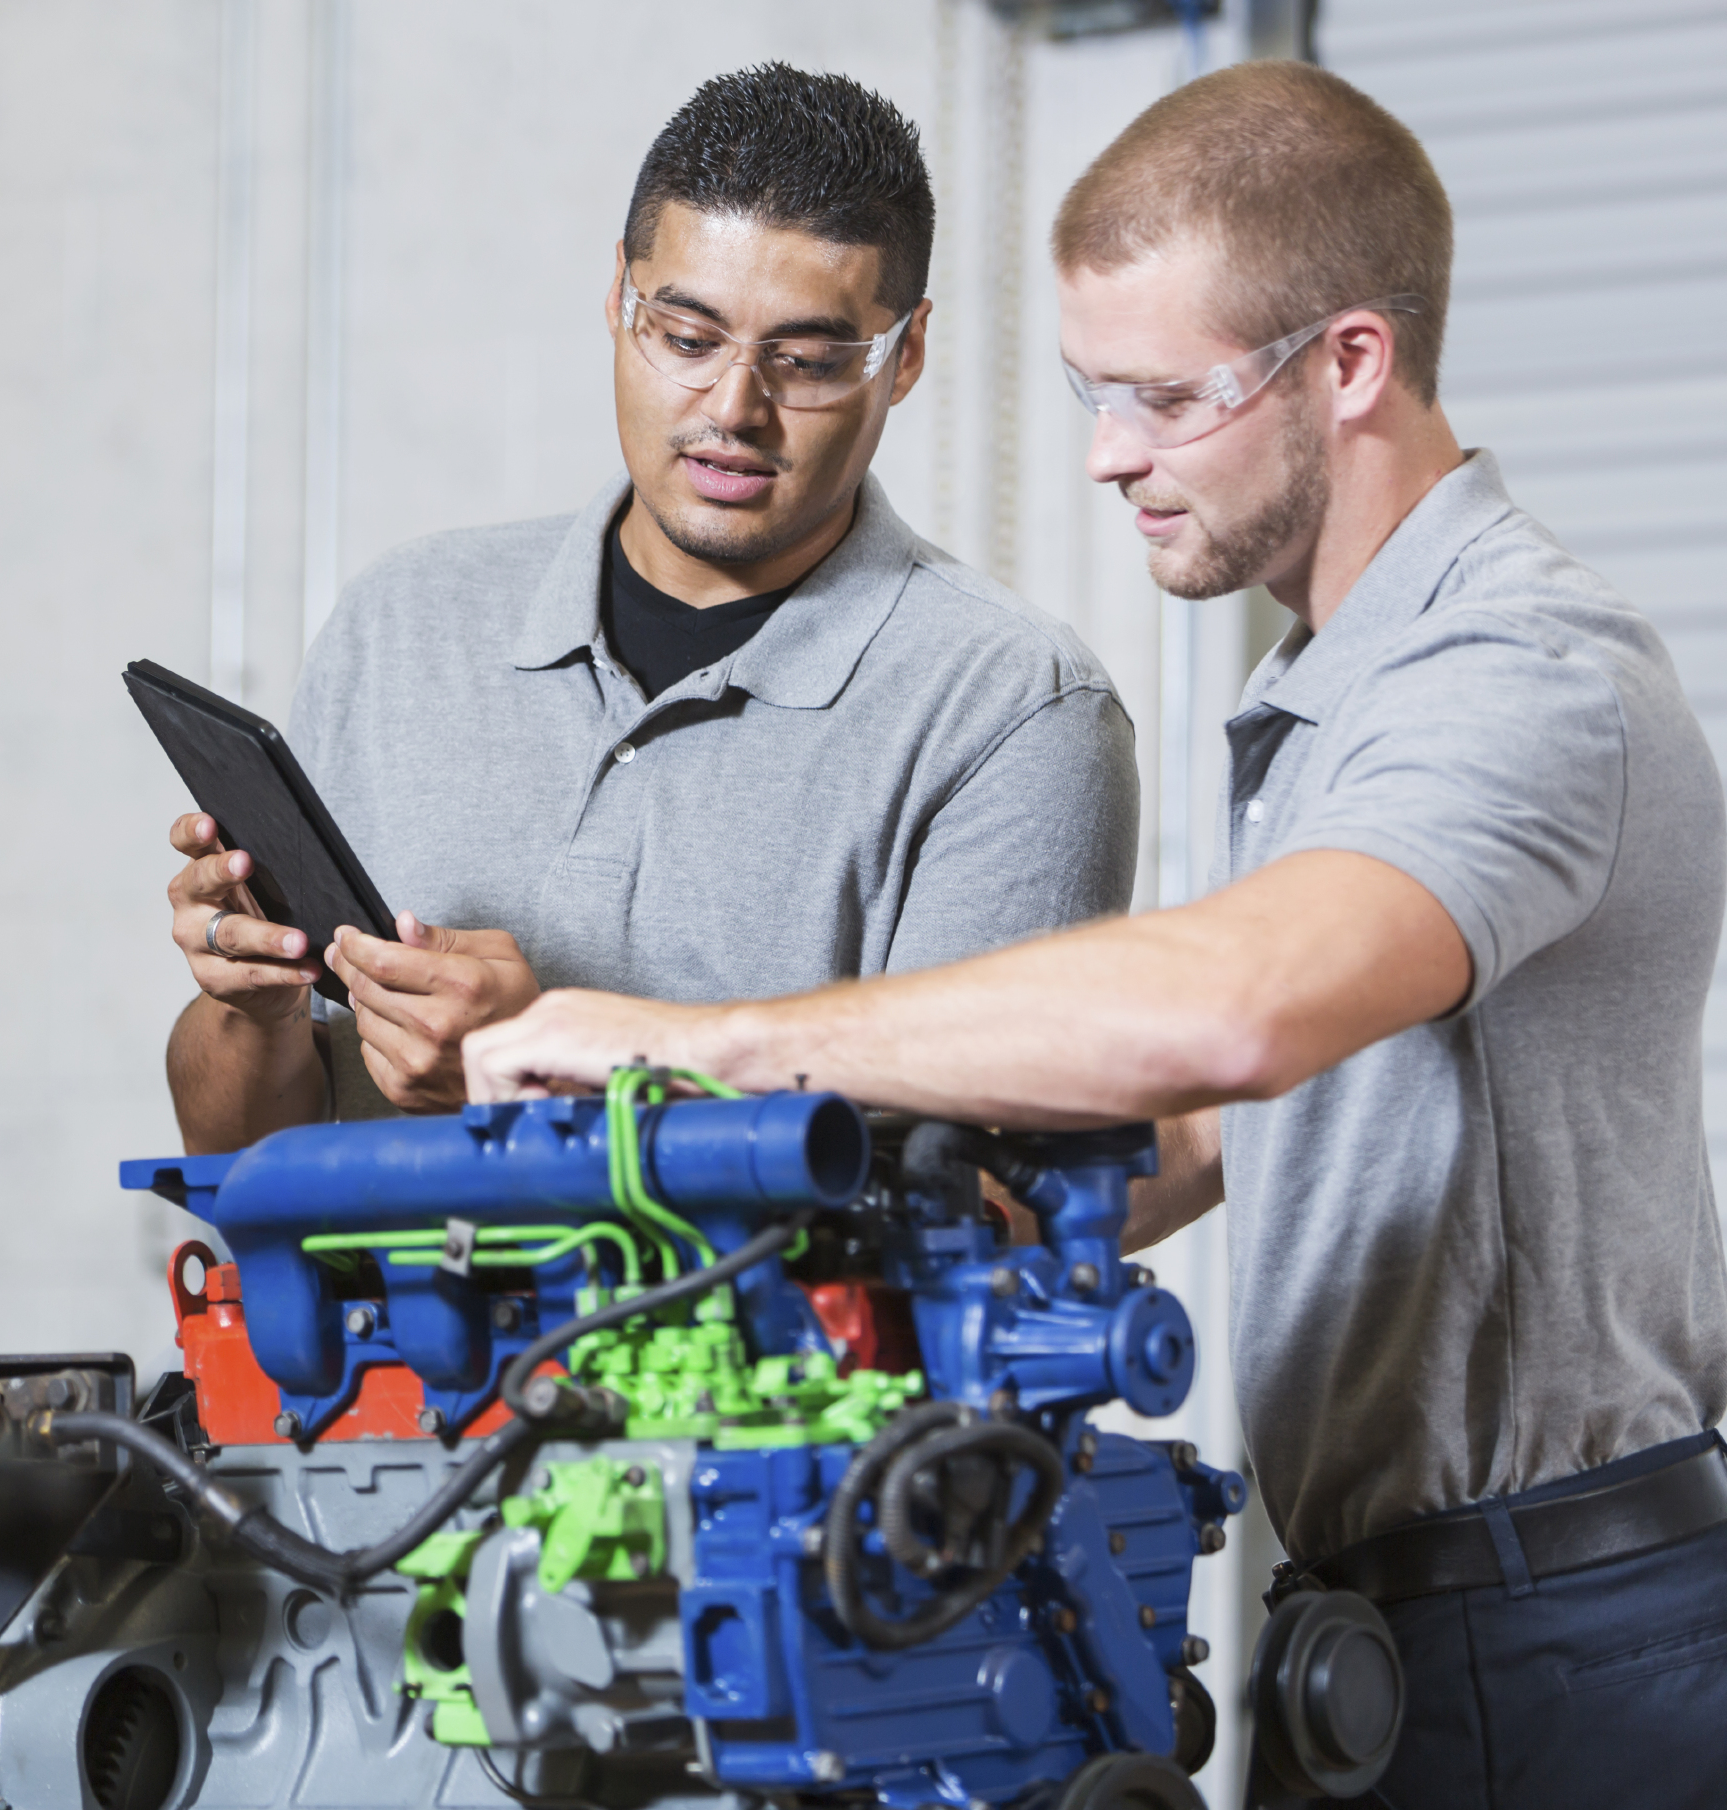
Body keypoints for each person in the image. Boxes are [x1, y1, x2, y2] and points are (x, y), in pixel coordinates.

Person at [466, 59, 1727, 1810]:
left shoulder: (1521, 678)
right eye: (1088, 389)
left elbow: (1237, 1015)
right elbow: (1226, 1121)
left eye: (1160, 396)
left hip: (1555, 1641)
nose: (1106, 454)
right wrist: (853, 1212)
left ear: (1348, 363)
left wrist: (711, 1040)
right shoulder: (1336, 692)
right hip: (1387, 1618)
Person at [162, 64, 1139, 1156]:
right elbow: (239, 1170)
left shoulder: (1012, 711)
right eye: (684, 337)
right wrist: (255, 1013)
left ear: (902, 356)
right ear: (619, 298)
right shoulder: (400, 622)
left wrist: (549, 1077)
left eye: (808, 362)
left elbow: (968, 1215)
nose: (733, 408)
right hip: (350, 1334)